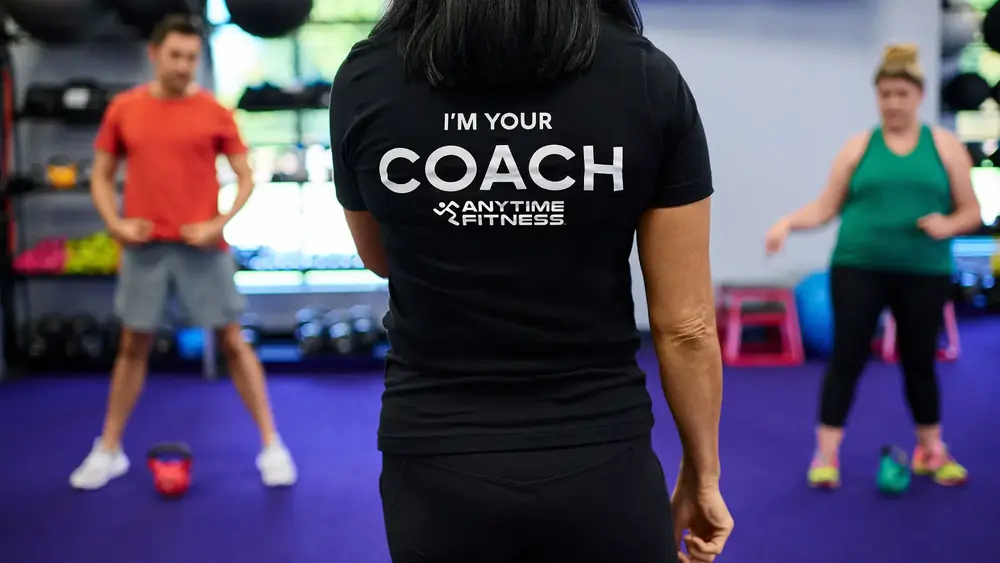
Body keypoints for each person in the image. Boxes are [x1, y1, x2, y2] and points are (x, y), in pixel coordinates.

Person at [330, 1, 733, 562]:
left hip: (436, 462)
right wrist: (702, 473)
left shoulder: (369, 76)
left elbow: (380, 256)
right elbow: (685, 326)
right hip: (601, 459)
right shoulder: (643, 76)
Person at [69, 14, 297, 491]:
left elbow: (246, 175)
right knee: (133, 345)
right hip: (145, 247)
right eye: (175, 55)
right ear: (154, 55)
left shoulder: (214, 110)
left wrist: (217, 222)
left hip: (203, 246)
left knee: (233, 342)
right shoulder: (125, 109)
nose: (183, 65)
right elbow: (100, 174)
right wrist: (114, 223)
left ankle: (272, 444)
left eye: (192, 57)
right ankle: (108, 449)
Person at [765, 44, 981, 489]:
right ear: (877, 97)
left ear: (918, 96)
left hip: (923, 270)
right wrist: (788, 222)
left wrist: (948, 223)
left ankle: (930, 451)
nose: (893, 103)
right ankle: (825, 456)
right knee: (846, 359)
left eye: (901, 93)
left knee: (919, 362)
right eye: (885, 94)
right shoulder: (859, 146)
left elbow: (971, 211)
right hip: (858, 266)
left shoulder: (945, 146)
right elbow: (827, 208)